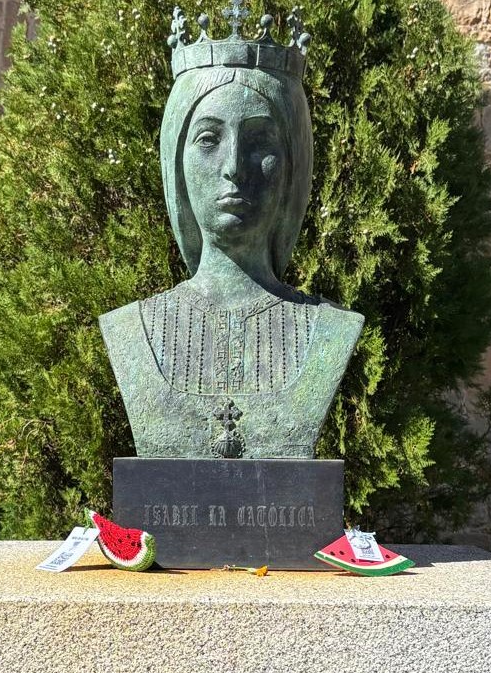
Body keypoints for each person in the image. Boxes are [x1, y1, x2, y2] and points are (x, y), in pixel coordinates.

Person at [99, 9, 362, 459]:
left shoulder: (330, 330)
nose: (233, 167)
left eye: (261, 141)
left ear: (292, 164)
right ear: (175, 163)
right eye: (208, 139)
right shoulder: (130, 331)